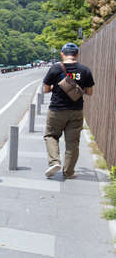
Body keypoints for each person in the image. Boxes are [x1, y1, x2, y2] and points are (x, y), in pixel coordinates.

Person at [42, 42, 95, 179]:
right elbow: (89, 92)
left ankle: (54, 162)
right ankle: (69, 172)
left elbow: (45, 89)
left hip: (57, 110)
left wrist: (58, 87)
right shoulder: (85, 70)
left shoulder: (55, 68)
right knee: (73, 143)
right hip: (76, 111)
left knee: (51, 136)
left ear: (62, 53)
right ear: (77, 54)